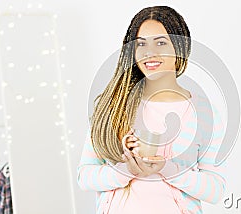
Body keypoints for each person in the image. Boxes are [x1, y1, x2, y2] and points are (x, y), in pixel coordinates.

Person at [77, 5, 226, 214]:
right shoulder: (115, 106)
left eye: (161, 43)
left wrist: (169, 170)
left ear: (180, 48)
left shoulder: (203, 114)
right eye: (141, 44)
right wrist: (125, 170)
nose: (149, 53)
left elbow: (216, 191)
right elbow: (84, 177)